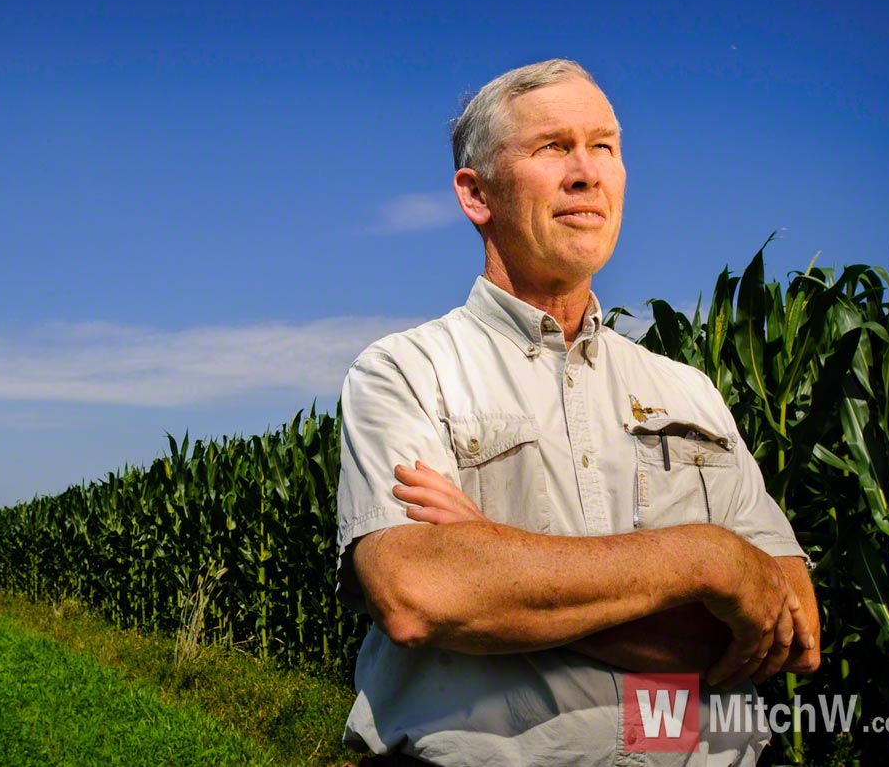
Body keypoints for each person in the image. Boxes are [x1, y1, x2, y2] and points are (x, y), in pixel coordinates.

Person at [335, 59, 820, 767]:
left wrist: (490, 552)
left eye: (605, 147)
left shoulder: (690, 390)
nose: (587, 173)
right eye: (553, 147)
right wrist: (707, 561)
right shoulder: (407, 372)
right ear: (476, 195)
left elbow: (789, 628)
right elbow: (421, 595)